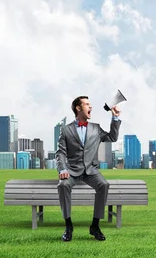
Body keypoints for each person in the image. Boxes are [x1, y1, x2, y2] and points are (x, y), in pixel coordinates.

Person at [55, 95, 121, 242]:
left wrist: (115, 118)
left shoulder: (95, 128)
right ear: (78, 108)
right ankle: (68, 226)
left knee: (104, 185)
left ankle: (95, 226)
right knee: (63, 185)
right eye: (87, 104)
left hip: (91, 170)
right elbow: (60, 152)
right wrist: (62, 169)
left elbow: (112, 137)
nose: (90, 107)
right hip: (71, 170)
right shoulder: (66, 130)